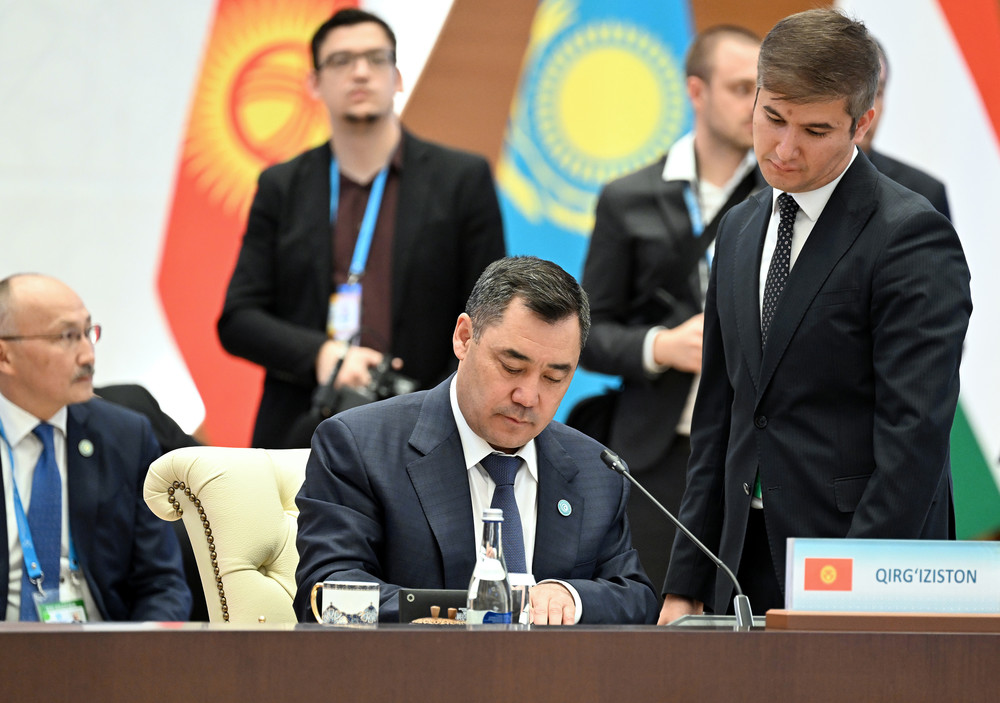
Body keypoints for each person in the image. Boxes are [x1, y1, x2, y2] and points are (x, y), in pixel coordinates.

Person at [659, 9, 972, 624]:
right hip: (739, 561)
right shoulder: (740, 226)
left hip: (860, 560)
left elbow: (914, 438)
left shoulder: (911, 236)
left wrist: (852, 588)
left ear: (863, 123)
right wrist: (686, 578)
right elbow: (720, 415)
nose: (784, 148)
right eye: (773, 117)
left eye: (815, 130)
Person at [294, 256, 658, 625]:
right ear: (465, 338)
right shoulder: (360, 446)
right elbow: (329, 596)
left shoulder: (597, 470)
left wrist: (571, 597)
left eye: (554, 378)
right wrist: (478, 614)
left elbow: (636, 598)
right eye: (512, 367)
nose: (528, 397)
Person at [218, 8, 506, 449]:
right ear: (314, 83)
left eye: (375, 59)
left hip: (428, 427)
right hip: (305, 425)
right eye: (341, 61)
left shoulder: (461, 180)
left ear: (397, 77)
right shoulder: (283, 186)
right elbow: (239, 318)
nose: (360, 72)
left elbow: (492, 317)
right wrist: (321, 355)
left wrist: (446, 412)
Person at [579, 25, 763, 595]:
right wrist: (661, 346)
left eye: (764, 91)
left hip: (758, 447)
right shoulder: (628, 197)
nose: (756, 106)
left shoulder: (784, 198)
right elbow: (584, 332)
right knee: (650, 610)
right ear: (696, 91)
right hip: (659, 448)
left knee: (753, 614)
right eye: (741, 88)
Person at [0, 274, 191, 621]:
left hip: (106, 647)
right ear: (5, 356)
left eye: (88, 332)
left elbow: (162, 585)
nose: (88, 355)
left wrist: (137, 651)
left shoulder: (125, 436)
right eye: (66, 337)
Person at [861, 38, 951, 219]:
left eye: (876, 93)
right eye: (854, 93)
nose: (864, 109)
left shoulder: (924, 194)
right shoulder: (800, 180)